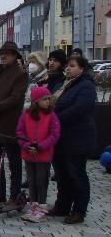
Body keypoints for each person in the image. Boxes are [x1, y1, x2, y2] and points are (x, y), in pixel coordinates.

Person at [0, 41, 29, 211]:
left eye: (7, 53)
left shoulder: (20, 74)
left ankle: (14, 196)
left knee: (14, 163)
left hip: (10, 123)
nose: (3, 56)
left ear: (15, 55)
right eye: (2, 53)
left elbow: (16, 98)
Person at [49, 56, 96, 224]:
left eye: (72, 66)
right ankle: (62, 206)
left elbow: (79, 109)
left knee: (76, 175)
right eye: (67, 66)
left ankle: (79, 210)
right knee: (62, 175)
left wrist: (54, 120)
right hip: (60, 138)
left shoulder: (86, 86)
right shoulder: (63, 85)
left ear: (82, 69)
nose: (68, 68)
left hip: (78, 138)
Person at [16, 86, 61, 223]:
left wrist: (40, 146)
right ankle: (33, 205)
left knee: (41, 180)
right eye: (44, 99)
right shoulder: (26, 116)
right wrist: (26, 145)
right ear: (36, 101)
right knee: (32, 181)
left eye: (49, 99)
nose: (48, 102)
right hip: (29, 154)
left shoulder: (52, 116)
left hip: (43, 155)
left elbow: (54, 134)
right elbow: (20, 133)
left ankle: (41, 206)